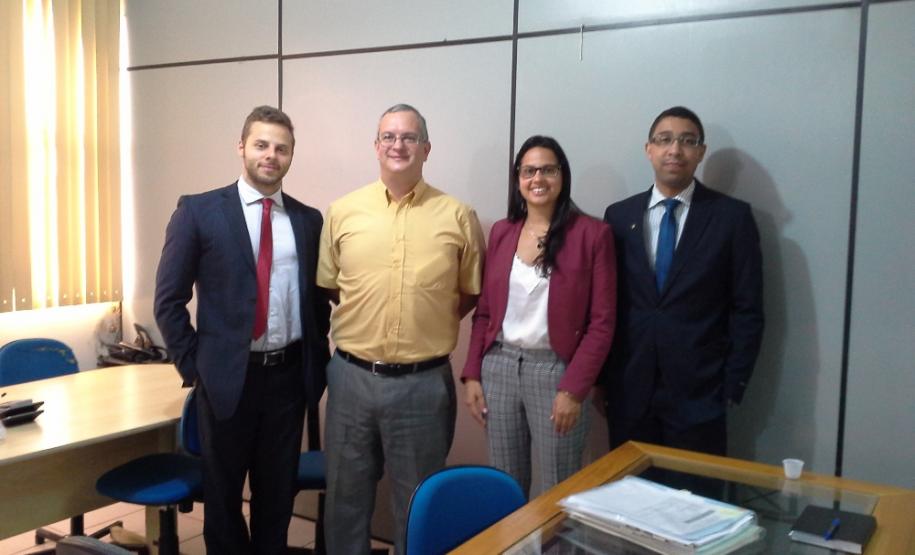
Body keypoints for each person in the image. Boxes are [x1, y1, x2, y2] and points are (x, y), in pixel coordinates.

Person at [154, 106, 330, 554]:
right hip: (226, 381)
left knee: (276, 499)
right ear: (242, 147)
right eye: (261, 145)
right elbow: (169, 301)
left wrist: (317, 365)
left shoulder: (308, 222)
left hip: (287, 381)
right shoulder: (198, 211)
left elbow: (315, 304)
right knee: (223, 499)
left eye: (281, 148)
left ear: (291, 155)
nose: (270, 155)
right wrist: (196, 367)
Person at [317, 103, 485, 554]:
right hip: (351, 379)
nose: (398, 145)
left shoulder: (457, 216)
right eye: (388, 136)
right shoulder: (342, 212)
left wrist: (423, 322)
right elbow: (333, 288)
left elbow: (469, 294)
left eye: (409, 137)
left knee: (418, 500)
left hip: (422, 384)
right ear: (375, 146)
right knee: (346, 500)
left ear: (426, 148)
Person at [602, 106, 764, 456]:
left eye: (687, 141)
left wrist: (731, 385)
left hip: (701, 394)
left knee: (695, 502)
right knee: (628, 500)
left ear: (700, 152)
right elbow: (605, 304)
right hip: (630, 390)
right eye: (664, 140)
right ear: (649, 149)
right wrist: (603, 381)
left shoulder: (732, 218)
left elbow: (748, 309)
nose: (675, 150)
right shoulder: (618, 216)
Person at [462, 135, 616, 497]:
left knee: (557, 491)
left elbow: (602, 323)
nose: (538, 179)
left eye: (548, 169)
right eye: (529, 171)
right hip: (498, 368)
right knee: (505, 485)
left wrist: (574, 389)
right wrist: (472, 375)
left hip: (556, 373)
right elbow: (484, 312)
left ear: (563, 176)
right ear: (518, 178)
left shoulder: (593, 234)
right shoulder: (503, 232)